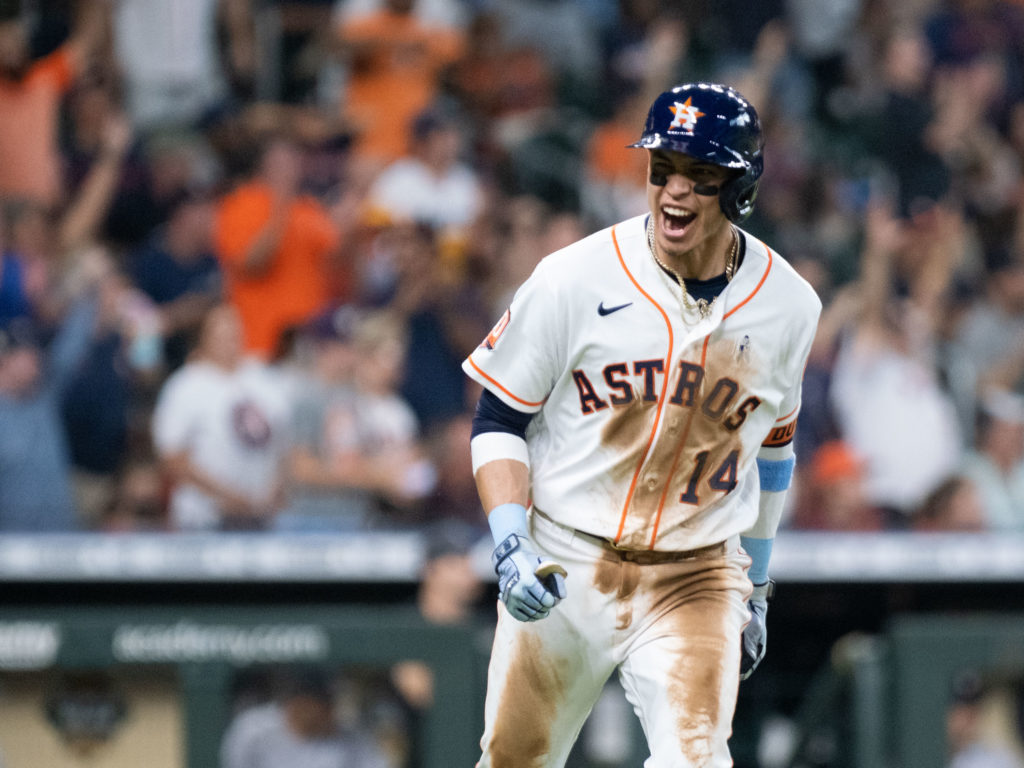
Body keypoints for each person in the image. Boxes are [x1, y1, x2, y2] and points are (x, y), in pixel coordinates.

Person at [462, 82, 821, 766]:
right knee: (515, 759)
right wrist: (510, 541)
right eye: (663, 168)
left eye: (700, 173)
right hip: (565, 555)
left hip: (697, 574)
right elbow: (498, 417)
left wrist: (758, 587)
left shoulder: (790, 305)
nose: (675, 190)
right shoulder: (573, 276)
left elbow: (774, 450)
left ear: (741, 188)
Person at [151, 303, 291, 531]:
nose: (230, 339)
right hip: (204, 519)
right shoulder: (185, 385)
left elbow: (284, 443)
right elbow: (172, 458)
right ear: (204, 337)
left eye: (234, 330)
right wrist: (229, 497)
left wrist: (273, 491)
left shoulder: (263, 379)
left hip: (261, 516)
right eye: (221, 332)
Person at [220, 667, 391, 768]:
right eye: (322, 705)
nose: (330, 712)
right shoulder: (253, 730)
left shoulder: (349, 736)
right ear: (298, 704)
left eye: (330, 703)